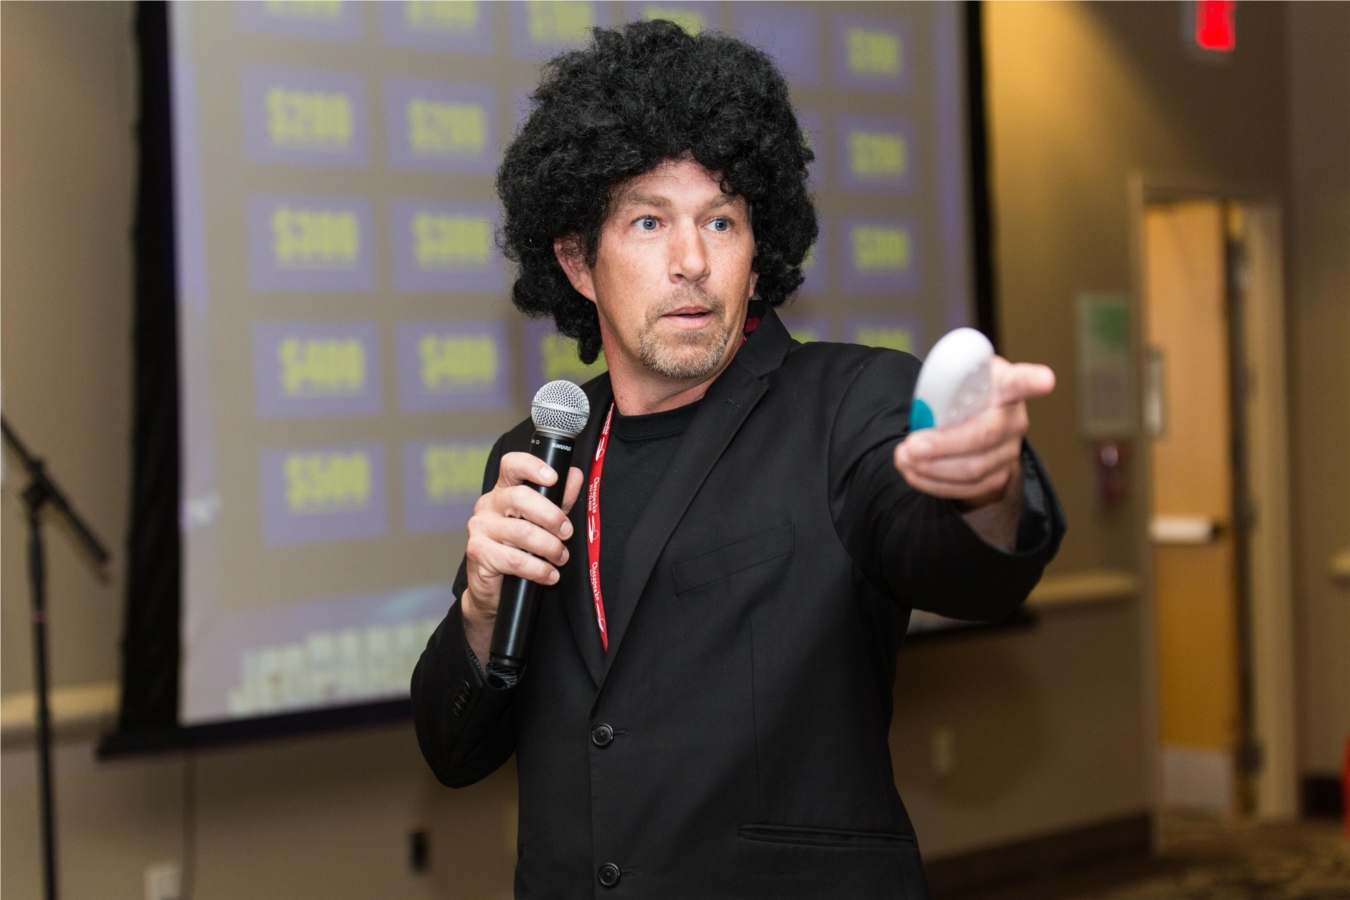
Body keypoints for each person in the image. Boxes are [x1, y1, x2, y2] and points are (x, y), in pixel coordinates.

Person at [413, 20, 1065, 898]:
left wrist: (986, 487)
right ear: (576, 261)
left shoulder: (849, 404)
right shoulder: (538, 452)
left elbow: (967, 567)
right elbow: (453, 751)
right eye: (649, 220)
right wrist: (484, 608)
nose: (693, 262)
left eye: (720, 220)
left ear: (758, 256)